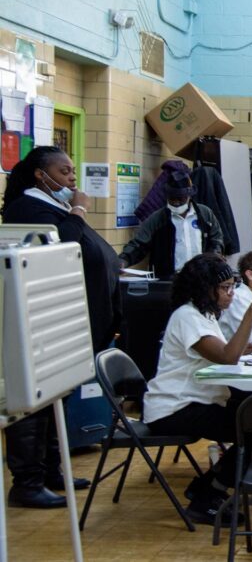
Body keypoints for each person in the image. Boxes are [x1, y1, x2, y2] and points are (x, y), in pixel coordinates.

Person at [1, 146, 122, 508]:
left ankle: (52, 470)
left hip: (71, 321)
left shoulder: (50, 205)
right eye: (65, 171)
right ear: (42, 174)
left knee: (57, 396)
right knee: (36, 403)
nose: (72, 178)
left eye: (73, 171)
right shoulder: (27, 206)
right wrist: (80, 208)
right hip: (41, 323)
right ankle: (27, 481)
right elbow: (62, 245)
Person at [143, 253, 252, 524]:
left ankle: (207, 486)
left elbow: (222, 352)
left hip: (197, 401)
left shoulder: (203, 314)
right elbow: (227, 357)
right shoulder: (187, 316)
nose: (231, 294)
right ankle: (208, 496)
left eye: (232, 287)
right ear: (204, 288)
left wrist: (244, 346)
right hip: (174, 409)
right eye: (225, 288)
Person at [119, 170, 224, 279]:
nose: (176, 202)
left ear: (189, 196)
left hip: (201, 278)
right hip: (169, 279)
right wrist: (124, 260)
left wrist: (214, 255)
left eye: (180, 199)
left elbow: (216, 238)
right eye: (172, 198)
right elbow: (139, 245)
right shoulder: (157, 219)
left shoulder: (204, 214)